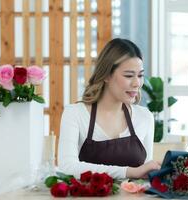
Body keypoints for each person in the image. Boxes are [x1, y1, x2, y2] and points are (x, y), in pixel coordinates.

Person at [58, 38, 161, 179]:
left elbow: (144, 173)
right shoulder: (75, 113)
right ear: (106, 75)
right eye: (129, 75)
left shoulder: (145, 117)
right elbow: (67, 167)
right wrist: (129, 172)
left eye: (140, 75)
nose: (137, 83)